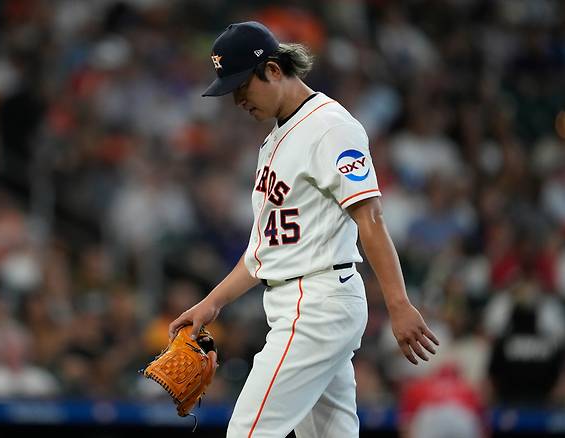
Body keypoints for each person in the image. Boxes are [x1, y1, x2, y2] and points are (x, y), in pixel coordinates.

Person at [168, 21, 439, 437]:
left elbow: (371, 216)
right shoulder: (274, 140)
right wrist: (212, 303)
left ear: (274, 70)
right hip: (302, 301)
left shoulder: (330, 126)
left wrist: (398, 303)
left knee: (247, 431)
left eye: (243, 85)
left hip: (317, 303)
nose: (238, 99)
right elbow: (265, 252)